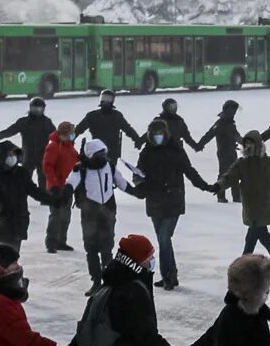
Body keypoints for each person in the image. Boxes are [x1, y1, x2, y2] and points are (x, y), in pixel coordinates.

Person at [132, 120, 215, 289]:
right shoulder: (146, 152)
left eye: (160, 134)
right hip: (154, 201)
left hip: (172, 200)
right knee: (164, 240)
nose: (158, 138)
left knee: (164, 238)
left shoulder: (175, 150)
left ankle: (168, 276)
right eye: (154, 135)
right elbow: (139, 172)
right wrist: (139, 184)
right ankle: (171, 274)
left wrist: (205, 186)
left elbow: (189, 170)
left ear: (166, 133)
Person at [219, 131, 270, 269]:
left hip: (264, 207)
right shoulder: (242, 163)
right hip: (250, 207)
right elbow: (229, 177)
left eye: (251, 143)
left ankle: (242, 268)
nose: (248, 146)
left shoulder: (268, 163)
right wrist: (218, 186)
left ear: (258, 145)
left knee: (253, 237)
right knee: (260, 236)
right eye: (246, 144)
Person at [67, 130, 131, 286]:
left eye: (104, 153)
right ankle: (96, 281)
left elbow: (122, 183)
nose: (103, 156)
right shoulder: (81, 169)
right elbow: (70, 184)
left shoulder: (109, 166)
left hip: (108, 212)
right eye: (99, 154)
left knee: (106, 249)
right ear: (91, 155)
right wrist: (61, 194)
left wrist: (138, 192)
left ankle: (108, 281)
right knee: (91, 249)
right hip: (89, 214)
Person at [0, 141, 36, 247]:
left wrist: (53, 199)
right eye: (9, 155)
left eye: (14, 155)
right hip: (0, 224)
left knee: (12, 258)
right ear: (2, 156)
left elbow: (34, 191)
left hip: (18, 223)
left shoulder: (22, 173)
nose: (12, 158)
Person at [38, 119, 80, 254]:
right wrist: (54, 185)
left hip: (68, 187)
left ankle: (62, 241)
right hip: (56, 187)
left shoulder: (70, 147)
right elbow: (47, 166)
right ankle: (51, 242)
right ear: (63, 133)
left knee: (66, 215)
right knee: (56, 216)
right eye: (70, 133)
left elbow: (75, 162)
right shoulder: (54, 146)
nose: (72, 135)